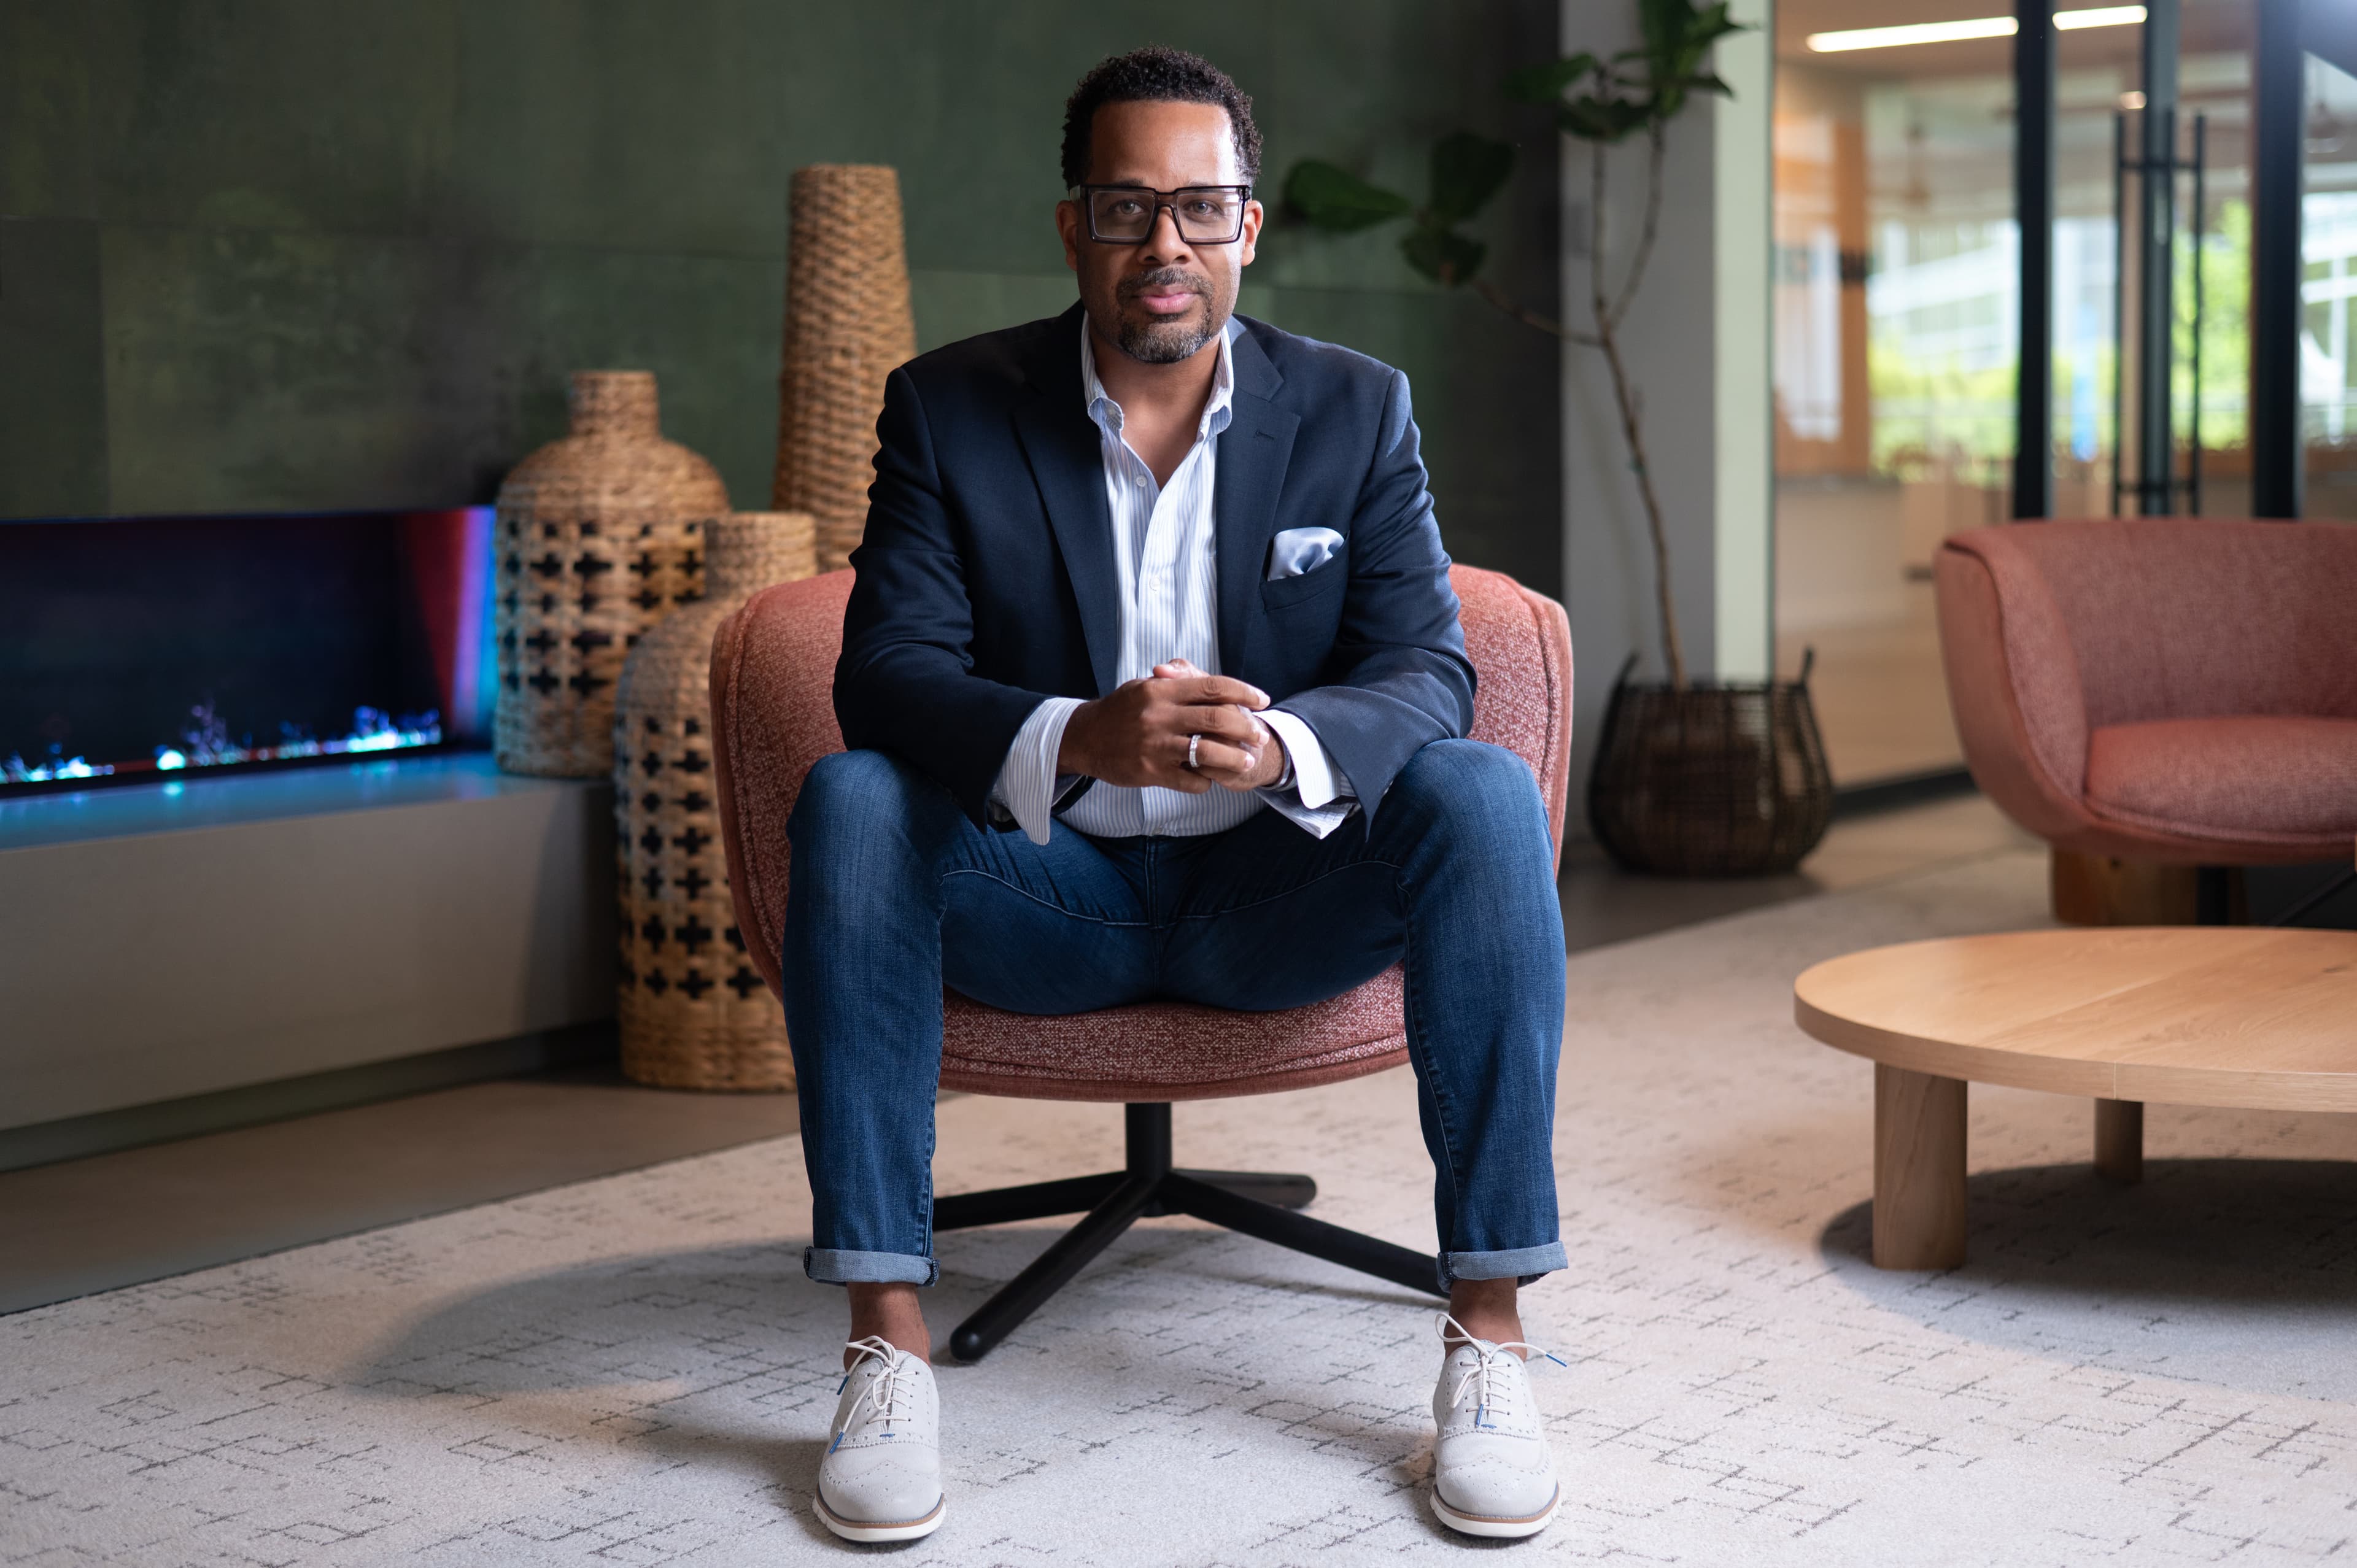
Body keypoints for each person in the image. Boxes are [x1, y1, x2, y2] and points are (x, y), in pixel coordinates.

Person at [783, 44, 1569, 1545]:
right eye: (1129, 206)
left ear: (1250, 228)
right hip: (1049, 896)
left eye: (1201, 210)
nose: (1167, 247)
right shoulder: (949, 409)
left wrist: (1284, 750)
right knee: (854, 796)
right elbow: (885, 674)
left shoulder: (1356, 410)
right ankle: (886, 1340)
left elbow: (1426, 668)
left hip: (1271, 899)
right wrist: (1084, 736)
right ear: (1072, 222)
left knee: (1475, 789)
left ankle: (1490, 1333)